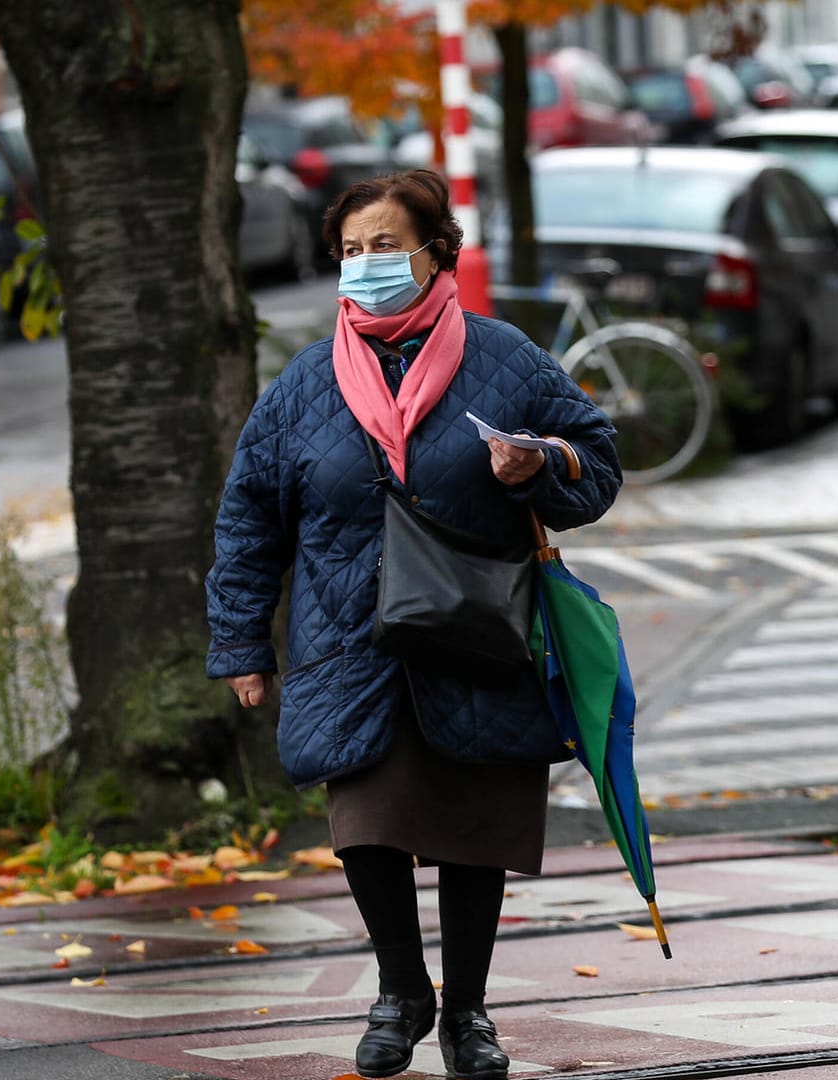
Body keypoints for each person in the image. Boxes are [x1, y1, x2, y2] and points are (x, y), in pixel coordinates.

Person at [206, 170, 621, 1080]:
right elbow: (248, 521)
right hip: (349, 639)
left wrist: (539, 466)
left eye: (386, 246)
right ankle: (401, 989)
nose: (366, 266)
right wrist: (240, 641)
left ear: (439, 253)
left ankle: (468, 1012)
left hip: (481, 634)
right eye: (351, 251)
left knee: (477, 827)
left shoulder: (506, 359)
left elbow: (598, 463)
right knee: (368, 821)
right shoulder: (303, 386)